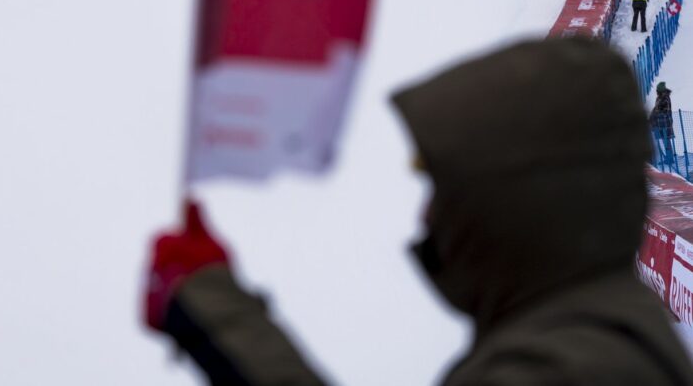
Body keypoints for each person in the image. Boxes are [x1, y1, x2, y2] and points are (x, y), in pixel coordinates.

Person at [144, 38, 693, 385]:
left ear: (518, 196)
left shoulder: (572, 366)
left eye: (445, 186)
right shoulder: (586, 334)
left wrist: (214, 311)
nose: (428, 214)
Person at [651, 82, 677, 171]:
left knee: (667, 141)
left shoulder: (665, 98)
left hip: (665, 123)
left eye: (657, 90)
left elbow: (665, 112)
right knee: (664, 141)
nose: (656, 92)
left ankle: (670, 159)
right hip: (659, 123)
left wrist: (656, 115)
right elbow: (656, 109)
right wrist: (651, 117)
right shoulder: (659, 98)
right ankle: (668, 157)